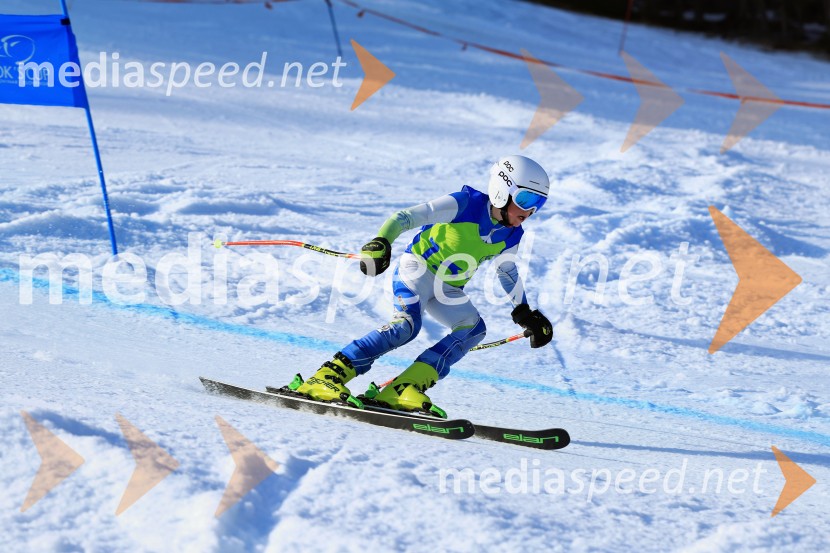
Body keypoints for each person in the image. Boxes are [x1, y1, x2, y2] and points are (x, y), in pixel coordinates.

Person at [291, 155, 554, 417]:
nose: (529, 212)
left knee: (473, 330)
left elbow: (506, 270)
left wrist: (524, 312)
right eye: (526, 200)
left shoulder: (512, 235)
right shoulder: (465, 204)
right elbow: (405, 217)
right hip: (417, 269)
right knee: (406, 327)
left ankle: (404, 387)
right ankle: (327, 376)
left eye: (537, 205)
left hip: (448, 289)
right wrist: (381, 241)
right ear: (502, 190)